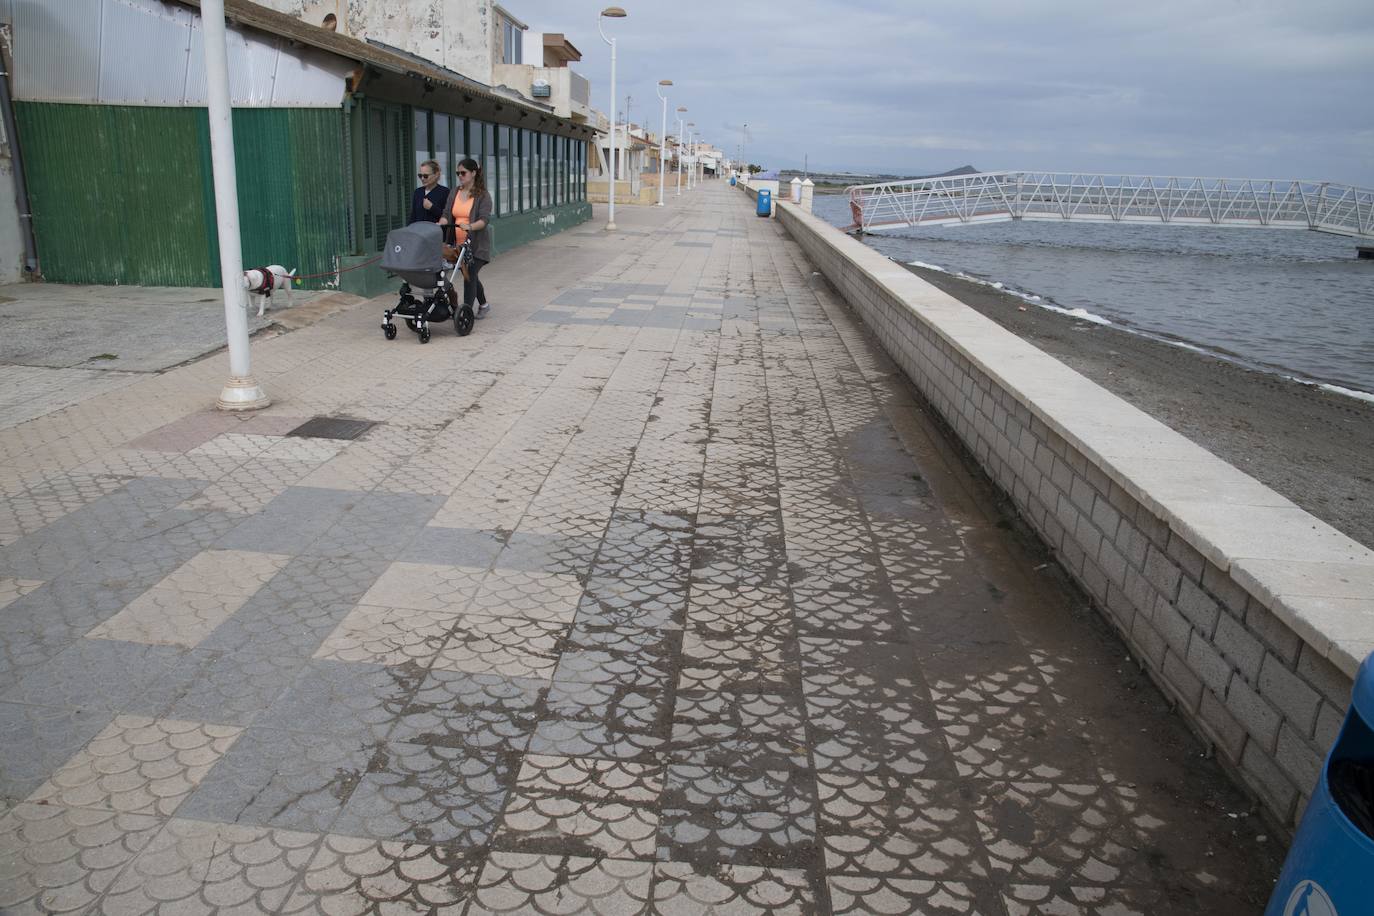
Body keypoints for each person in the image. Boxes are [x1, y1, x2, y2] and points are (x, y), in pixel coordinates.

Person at [438, 157, 493, 319]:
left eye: (463, 173)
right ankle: (484, 305)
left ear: (473, 173)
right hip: (458, 245)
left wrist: (470, 226)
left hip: (477, 245)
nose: (460, 176)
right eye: (458, 173)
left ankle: (465, 314)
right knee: (470, 275)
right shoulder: (454, 192)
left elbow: (484, 220)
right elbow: (447, 213)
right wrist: (440, 223)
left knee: (469, 276)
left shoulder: (483, 195)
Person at [410, 160, 448, 226]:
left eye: (425, 176)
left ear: (436, 175)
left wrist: (432, 207)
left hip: (436, 231)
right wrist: (409, 229)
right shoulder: (418, 192)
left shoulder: (445, 192)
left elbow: (448, 217)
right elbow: (413, 216)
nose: (422, 178)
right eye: (420, 175)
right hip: (418, 231)